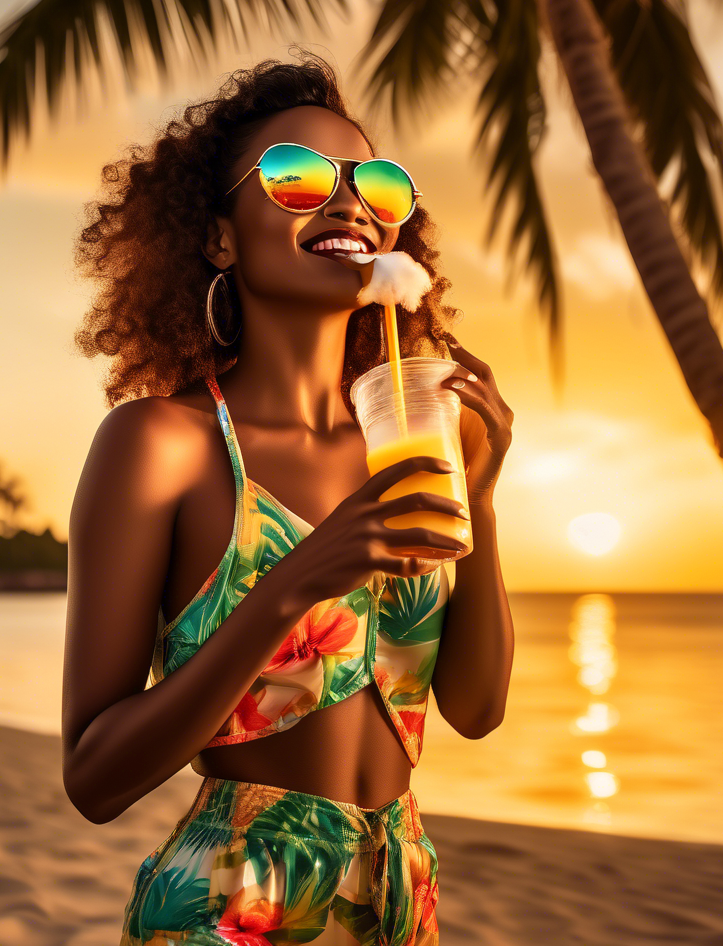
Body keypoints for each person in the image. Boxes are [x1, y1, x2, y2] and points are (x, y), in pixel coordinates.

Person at [62, 50, 515, 946]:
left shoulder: (417, 445)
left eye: (376, 186)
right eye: (297, 177)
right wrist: (296, 583)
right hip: (233, 904)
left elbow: (475, 711)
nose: (348, 203)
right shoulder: (164, 446)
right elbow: (94, 778)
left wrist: (485, 498)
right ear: (219, 238)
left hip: (403, 896)